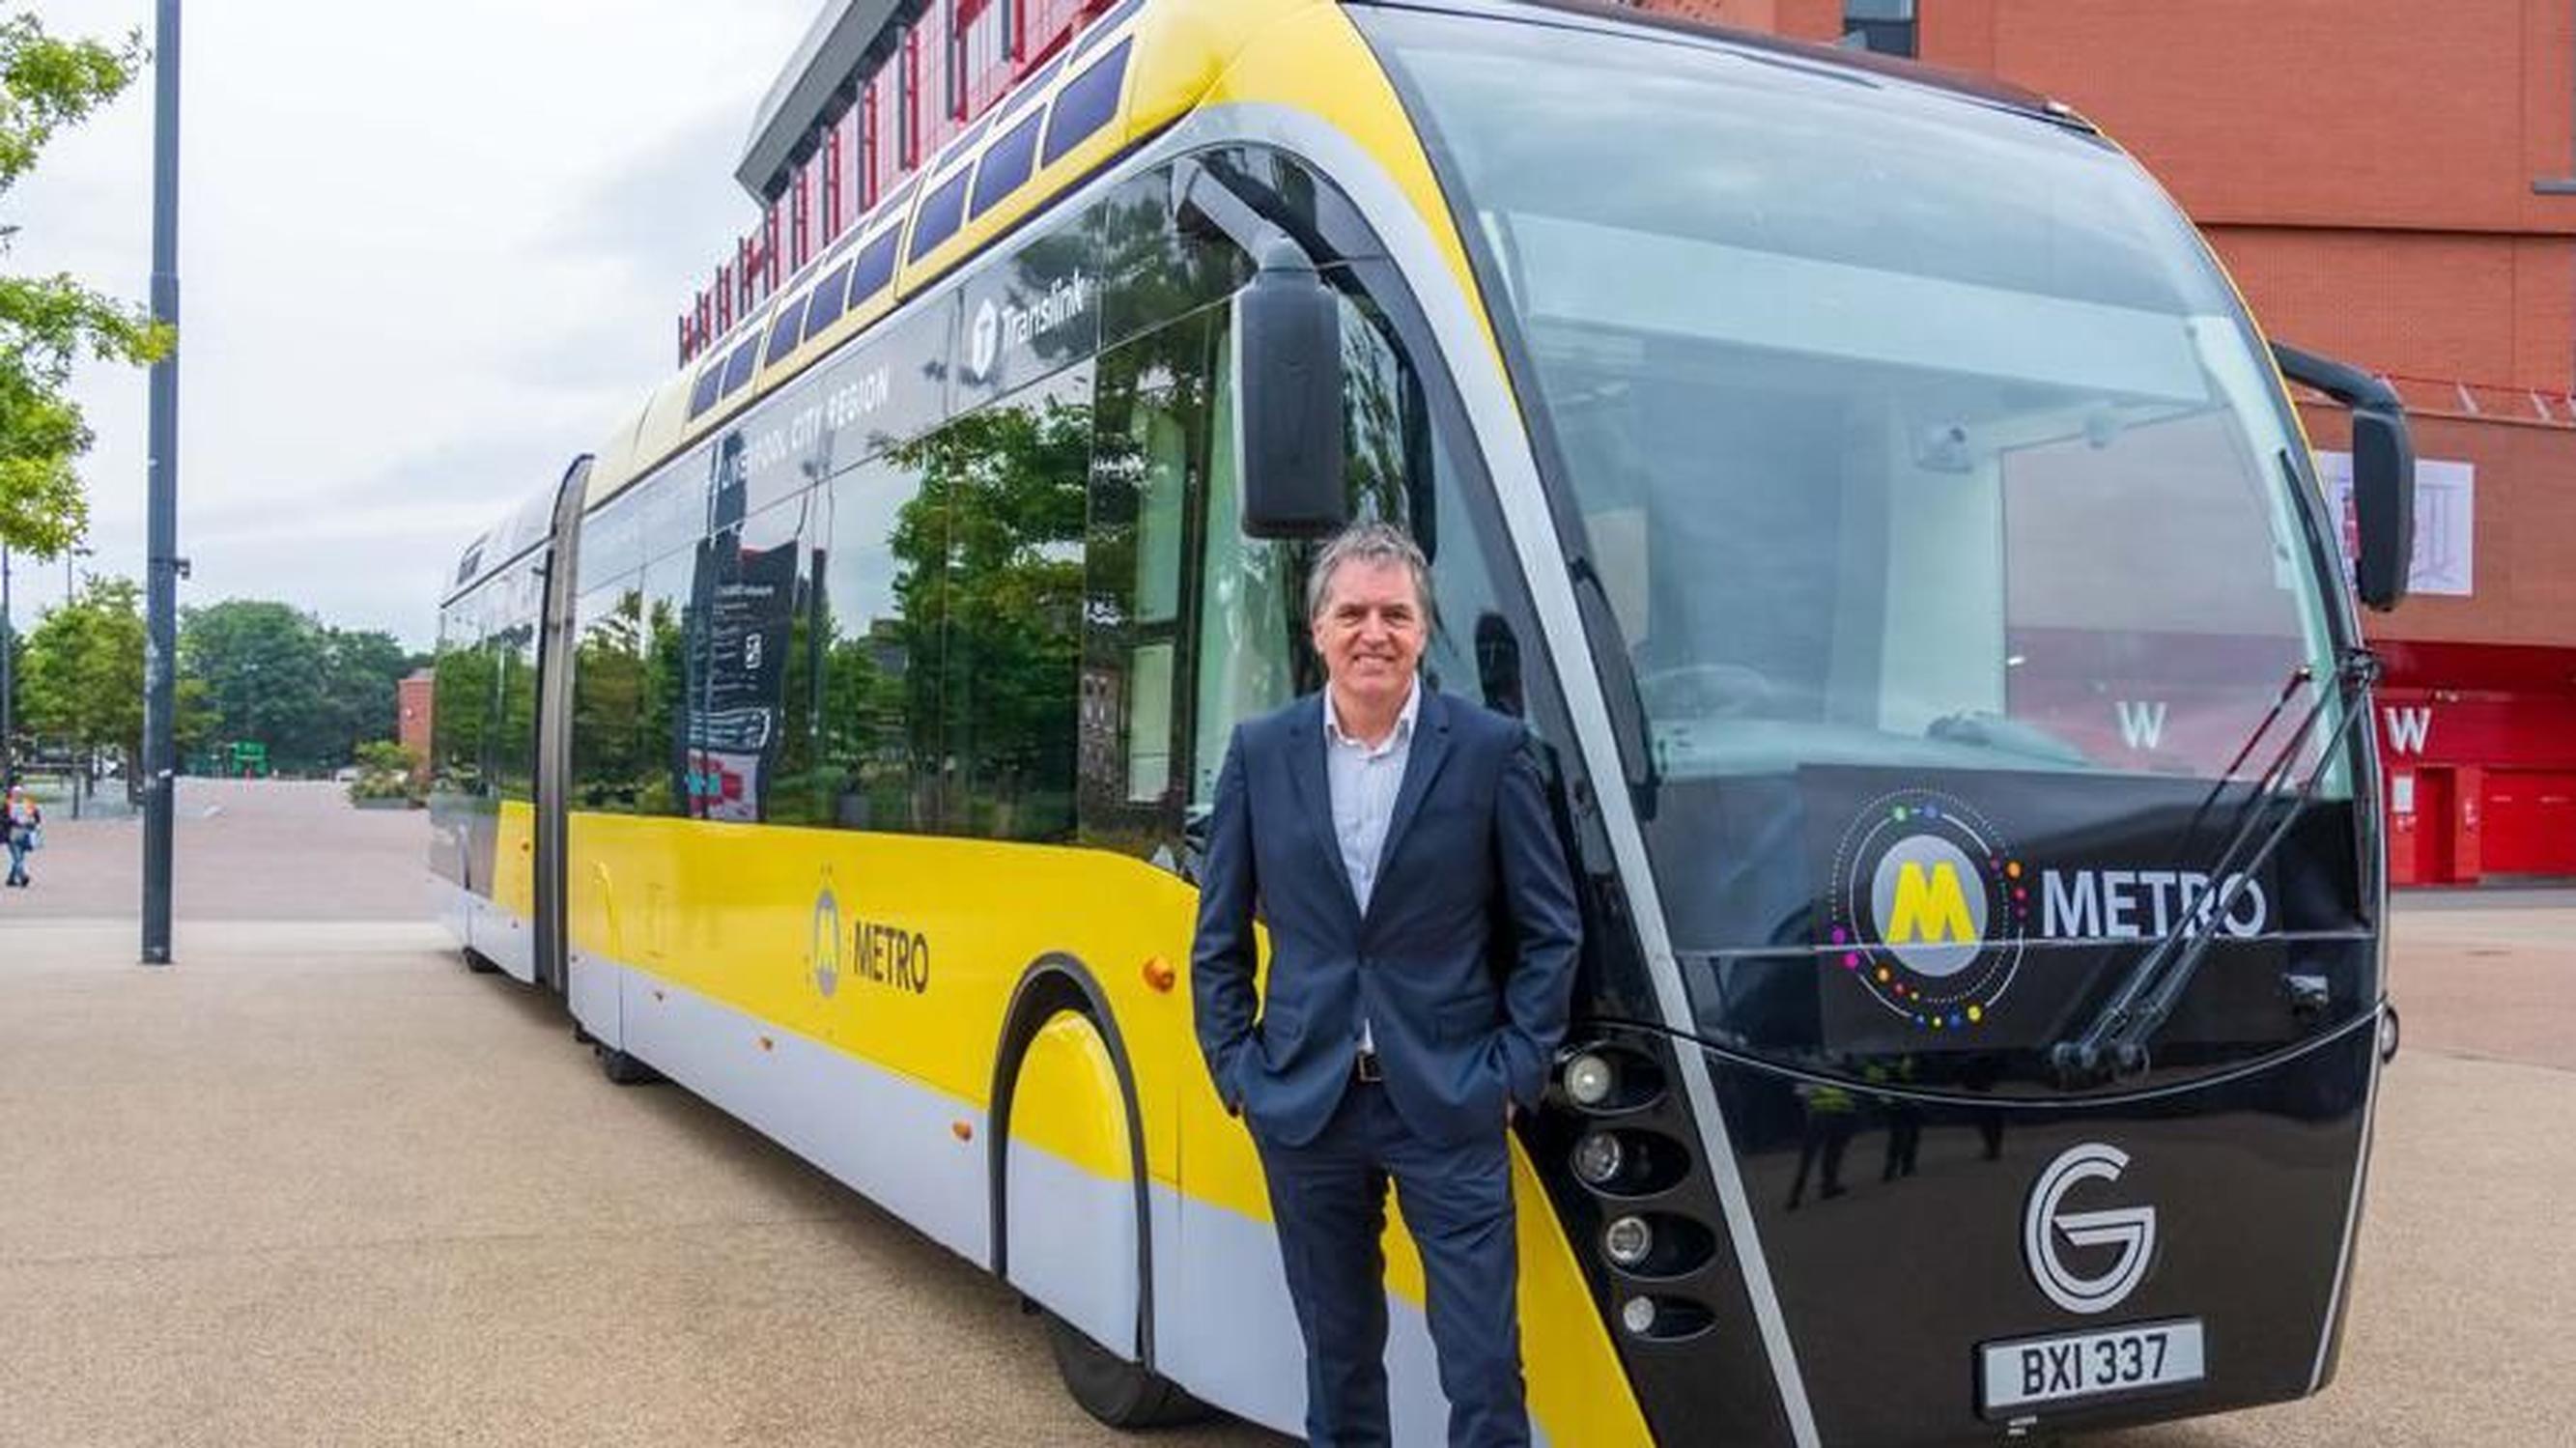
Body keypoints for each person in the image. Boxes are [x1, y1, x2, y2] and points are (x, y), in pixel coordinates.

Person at [1191, 521, 1581, 1447]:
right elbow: (1217, 940)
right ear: (1317, 628)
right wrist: (1238, 1072)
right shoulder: (1260, 751)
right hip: (1305, 1106)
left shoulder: (1491, 752)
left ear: (1421, 629)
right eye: (1353, 612)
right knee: (1338, 1360)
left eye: (1395, 613)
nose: (1374, 631)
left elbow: (1549, 929)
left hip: (1450, 1103)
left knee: (1484, 1366)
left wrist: (1514, 1070)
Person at [4, 781, 41, 888]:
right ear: (12, 794)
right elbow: (3, 819)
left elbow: (36, 816)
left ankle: (11, 879)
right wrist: (13, 820)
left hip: (25, 833)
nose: (17, 795)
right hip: (12, 833)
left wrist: (34, 823)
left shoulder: (28, 803)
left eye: (19, 793)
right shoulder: (7, 804)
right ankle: (23, 877)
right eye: (15, 793)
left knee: (20, 857)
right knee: (18, 857)